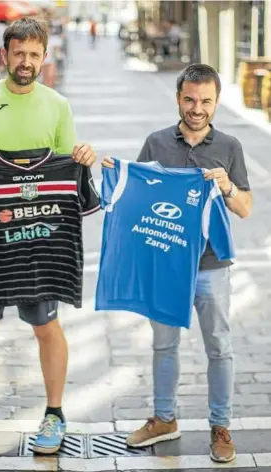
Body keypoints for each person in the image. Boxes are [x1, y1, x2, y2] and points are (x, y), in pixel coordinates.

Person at [0, 17, 97, 455]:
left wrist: (84, 156)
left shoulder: (58, 106)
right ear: (5, 54)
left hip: (41, 239)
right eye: (18, 53)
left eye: (33, 54)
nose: (25, 61)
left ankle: (54, 414)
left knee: (46, 326)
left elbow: (70, 167)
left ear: (44, 57)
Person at [102, 64, 252, 463]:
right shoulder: (156, 143)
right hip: (165, 263)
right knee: (164, 344)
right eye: (189, 99)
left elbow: (245, 208)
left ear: (216, 102)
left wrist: (227, 186)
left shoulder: (230, 147)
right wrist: (113, 178)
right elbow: (135, 194)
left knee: (219, 345)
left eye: (205, 101)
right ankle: (164, 418)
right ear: (178, 99)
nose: (196, 108)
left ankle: (221, 426)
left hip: (211, 266)